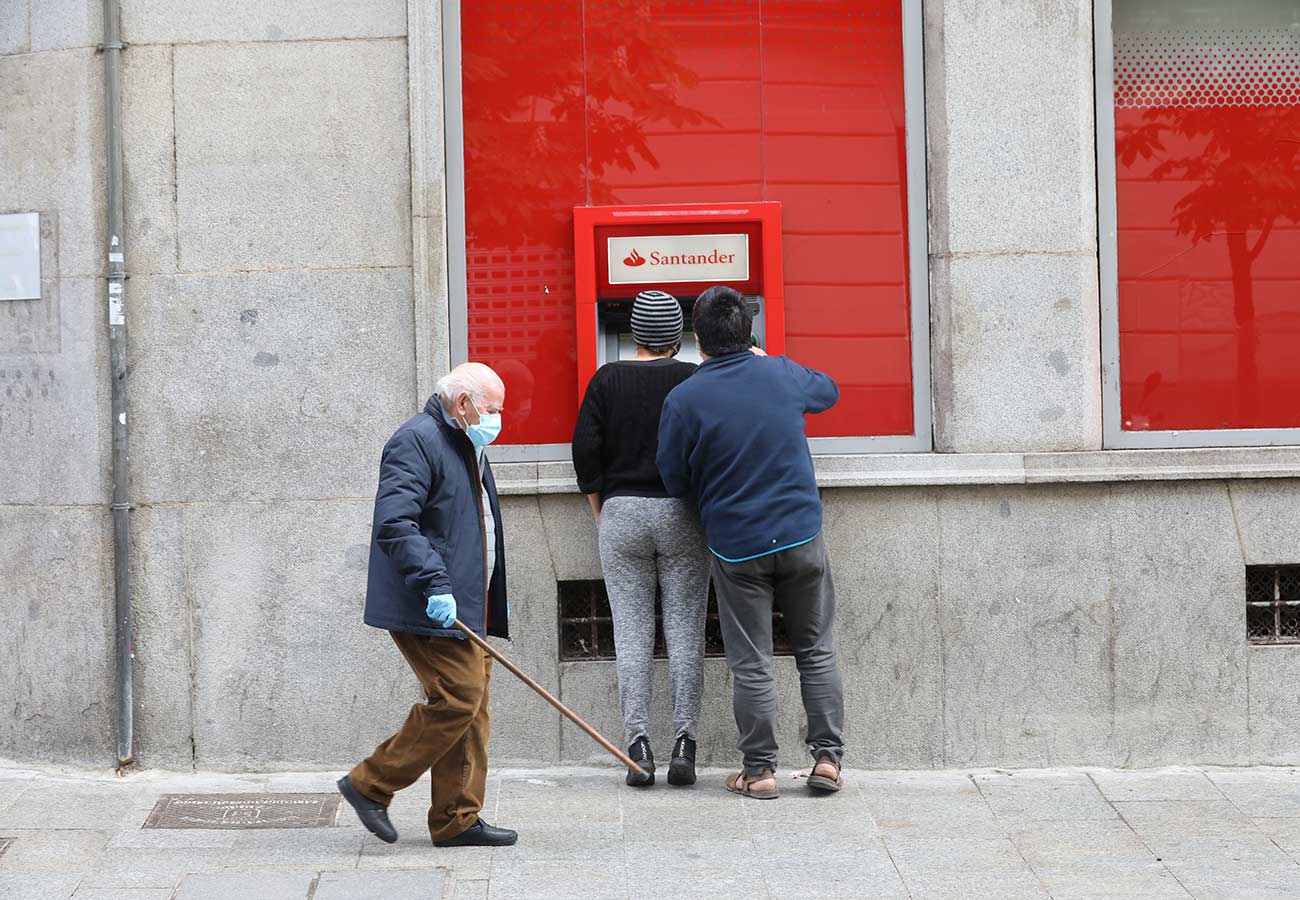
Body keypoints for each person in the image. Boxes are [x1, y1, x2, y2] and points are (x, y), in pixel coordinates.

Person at [656, 285, 846, 800]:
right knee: (815, 647)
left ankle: (759, 772)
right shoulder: (781, 373)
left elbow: (673, 478)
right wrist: (768, 361)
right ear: (748, 331)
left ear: (698, 338)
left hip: (738, 544)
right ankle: (827, 761)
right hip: (802, 533)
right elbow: (829, 391)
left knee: (752, 660)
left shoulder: (684, 397)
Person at [337, 362, 518, 847]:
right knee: (459, 695)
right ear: (463, 404)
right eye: (493, 410)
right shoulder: (415, 441)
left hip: (466, 602)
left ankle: (457, 817)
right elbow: (396, 522)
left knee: (471, 705)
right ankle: (369, 784)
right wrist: (436, 584)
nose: (498, 420)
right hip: (432, 601)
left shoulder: (467, 443)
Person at [571, 289, 710, 788]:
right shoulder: (693, 378)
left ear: (633, 333)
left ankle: (637, 747)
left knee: (631, 634)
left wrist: (603, 512)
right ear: (679, 335)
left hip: (622, 512)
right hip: (682, 513)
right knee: (685, 630)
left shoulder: (606, 378)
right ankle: (684, 745)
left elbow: (585, 454)